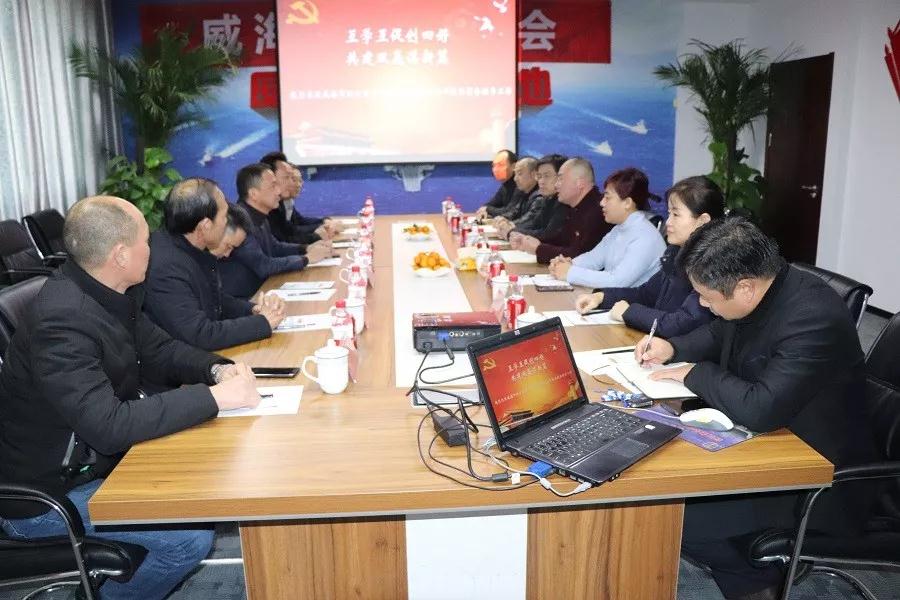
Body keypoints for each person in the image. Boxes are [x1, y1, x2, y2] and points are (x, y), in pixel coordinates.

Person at [0, 196, 262, 600]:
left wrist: (217, 370)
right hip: (48, 498)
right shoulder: (62, 320)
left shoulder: (111, 291)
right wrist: (215, 398)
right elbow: (108, 426)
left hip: (90, 464)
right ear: (121, 255)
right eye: (145, 241)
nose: (152, 248)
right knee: (189, 538)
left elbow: (160, 349)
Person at [637, 217, 878, 600]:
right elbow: (720, 330)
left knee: (675, 515)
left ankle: (759, 584)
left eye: (706, 297)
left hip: (817, 476)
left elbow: (759, 409)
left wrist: (695, 373)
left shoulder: (811, 316)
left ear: (745, 288)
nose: (702, 304)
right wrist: (674, 348)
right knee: (665, 485)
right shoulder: (768, 287)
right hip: (775, 446)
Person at [573, 175, 725, 337]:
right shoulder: (676, 253)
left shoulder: (714, 265)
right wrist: (601, 297)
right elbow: (645, 294)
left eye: (676, 214)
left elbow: (680, 323)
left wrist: (628, 312)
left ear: (702, 221)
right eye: (669, 213)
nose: (668, 222)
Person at [144, 178, 286, 351]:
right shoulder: (166, 266)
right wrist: (262, 323)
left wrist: (253, 310)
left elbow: (214, 300)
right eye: (224, 217)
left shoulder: (190, 248)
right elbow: (200, 335)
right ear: (205, 225)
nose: (227, 222)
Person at [220, 163, 331, 298]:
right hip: (245, 299)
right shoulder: (240, 221)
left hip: (264, 290)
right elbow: (263, 266)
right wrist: (306, 259)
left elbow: (275, 247)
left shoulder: (260, 215)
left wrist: (306, 248)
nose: (279, 191)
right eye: (273, 186)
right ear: (254, 194)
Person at [549, 167, 665, 288]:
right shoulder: (618, 229)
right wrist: (568, 264)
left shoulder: (645, 237)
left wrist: (570, 272)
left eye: (607, 198)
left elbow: (617, 281)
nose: (602, 203)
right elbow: (593, 259)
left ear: (627, 203)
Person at [509, 157, 612, 264]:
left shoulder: (598, 211)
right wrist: (526, 241)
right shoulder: (575, 207)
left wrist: (538, 249)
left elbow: (580, 256)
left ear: (580, 183)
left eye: (561, 179)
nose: (556, 185)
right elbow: (560, 240)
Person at [260, 151, 340, 243]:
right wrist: (317, 236)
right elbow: (282, 241)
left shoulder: (278, 203)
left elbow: (290, 230)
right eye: (287, 177)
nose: (293, 183)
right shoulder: (261, 208)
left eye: (298, 180)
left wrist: (324, 224)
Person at [496, 153, 568, 240]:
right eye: (539, 176)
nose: (541, 181)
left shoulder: (565, 202)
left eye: (546, 176)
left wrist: (511, 231)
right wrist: (509, 226)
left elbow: (547, 235)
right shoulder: (548, 199)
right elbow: (534, 224)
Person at [485, 156, 540, 222]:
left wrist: (510, 224)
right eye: (515, 174)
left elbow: (529, 220)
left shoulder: (540, 195)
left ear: (534, 175)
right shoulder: (524, 192)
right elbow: (514, 212)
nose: (515, 179)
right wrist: (502, 219)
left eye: (519, 173)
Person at [475, 149, 518, 219]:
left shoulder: (520, 184)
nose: (496, 169)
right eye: (494, 165)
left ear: (514, 166)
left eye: (500, 165)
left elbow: (510, 211)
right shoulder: (505, 185)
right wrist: (486, 209)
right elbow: (489, 205)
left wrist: (487, 209)